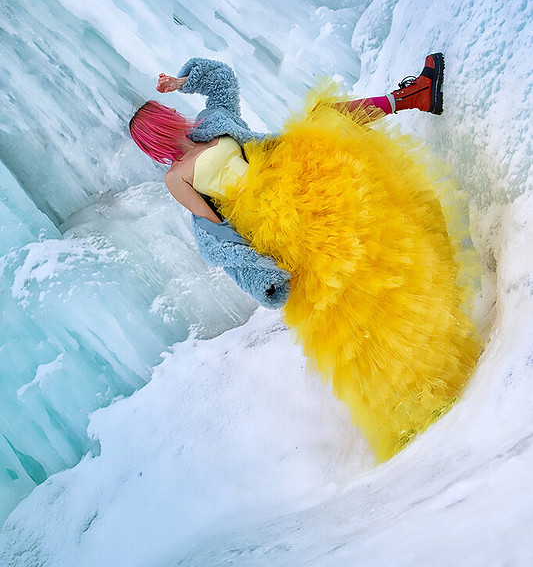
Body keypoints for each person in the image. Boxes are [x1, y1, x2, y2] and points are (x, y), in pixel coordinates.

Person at [129, 55, 481, 461]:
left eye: (169, 107)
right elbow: (216, 232)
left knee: (326, 117)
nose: (174, 113)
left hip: (297, 173)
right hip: (277, 220)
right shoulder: (177, 178)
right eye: (165, 113)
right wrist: (261, 273)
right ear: (159, 128)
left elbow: (225, 78)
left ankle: (414, 96)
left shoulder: (212, 122)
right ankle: (418, 386)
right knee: (354, 292)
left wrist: (182, 81)